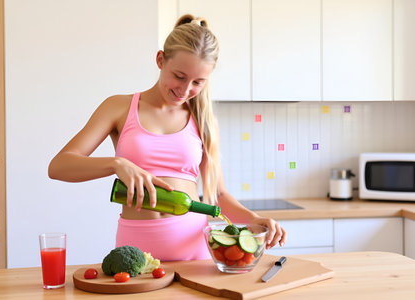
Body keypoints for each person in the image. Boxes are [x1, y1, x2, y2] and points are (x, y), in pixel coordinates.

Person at [48, 14, 287, 261]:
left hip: (194, 249)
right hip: (136, 248)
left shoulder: (204, 121)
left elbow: (219, 196)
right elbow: (59, 167)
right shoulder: (119, 107)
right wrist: (116, 164)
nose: (185, 90)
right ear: (160, 60)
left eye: (198, 82)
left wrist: (254, 219)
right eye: (180, 76)